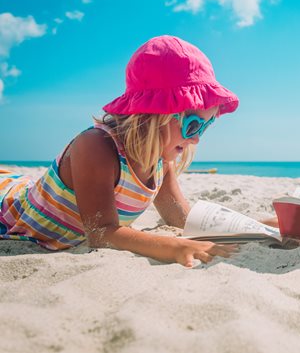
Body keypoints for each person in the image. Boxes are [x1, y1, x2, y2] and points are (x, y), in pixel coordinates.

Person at [0, 35, 240, 267]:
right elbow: (102, 233)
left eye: (205, 127)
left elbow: (182, 220)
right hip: (9, 211)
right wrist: (174, 247)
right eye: (193, 125)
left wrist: (257, 229)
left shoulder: (159, 162)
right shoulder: (96, 146)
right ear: (158, 113)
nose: (197, 139)